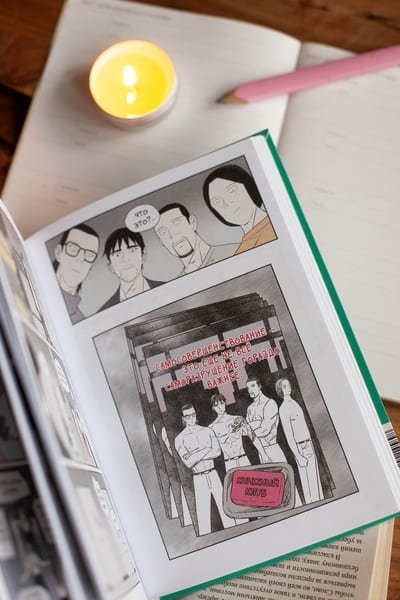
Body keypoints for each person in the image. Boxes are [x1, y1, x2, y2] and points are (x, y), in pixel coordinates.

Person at [174, 403, 235, 535]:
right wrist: (206, 449)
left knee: (227, 512)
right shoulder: (180, 439)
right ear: (183, 418)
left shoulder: (208, 431)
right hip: (199, 478)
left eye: (193, 415)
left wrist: (195, 454)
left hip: (213, 474)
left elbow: (217, 452)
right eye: (188, 416)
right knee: (203, 519)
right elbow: (189, 462)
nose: (191, 418)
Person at [203, 164, 276, 254]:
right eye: (217, 201)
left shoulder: (276, 226)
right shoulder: (241, 250)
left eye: (232, 190)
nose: (227, 202)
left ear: (248, 186)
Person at [276, 378, 324, 504]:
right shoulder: (283, 409)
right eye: (284, 386)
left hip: (309, 443)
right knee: (308, 481)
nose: (288, 387)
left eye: (288, 385)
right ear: (280, 390)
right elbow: (289, 435)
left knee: (315, 478)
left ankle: (321, 502)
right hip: (300, 447)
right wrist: (298, 455)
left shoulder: (295, 403)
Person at [155, 203, 237, 275]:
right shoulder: (178, 284)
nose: (172, 234)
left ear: (192, 222)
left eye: (177, 223)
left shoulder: (234, 252)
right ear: (162, 242)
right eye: (163, 232)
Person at [100, 227, 160, 310]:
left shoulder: (167, 289)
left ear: (143, 254)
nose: (126, 259)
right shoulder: (105, 311)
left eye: (132, 250)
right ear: (110, 265)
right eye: (117, 255)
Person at [53, 224, 99, 323]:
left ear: (91, 266)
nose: (80, 259)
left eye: (89, 255)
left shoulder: (80, 319)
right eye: (73, 249)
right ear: (59, 253)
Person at [245, 377, 287, 463]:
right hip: (261, 452)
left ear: (259, 386)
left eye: (252, 386)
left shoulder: (270, 403)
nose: (250, 390)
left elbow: (264, 430)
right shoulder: (249, 409)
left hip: (273, 449)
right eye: (248, 388)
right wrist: (258, 424)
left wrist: (251, 428)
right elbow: (247, 432)